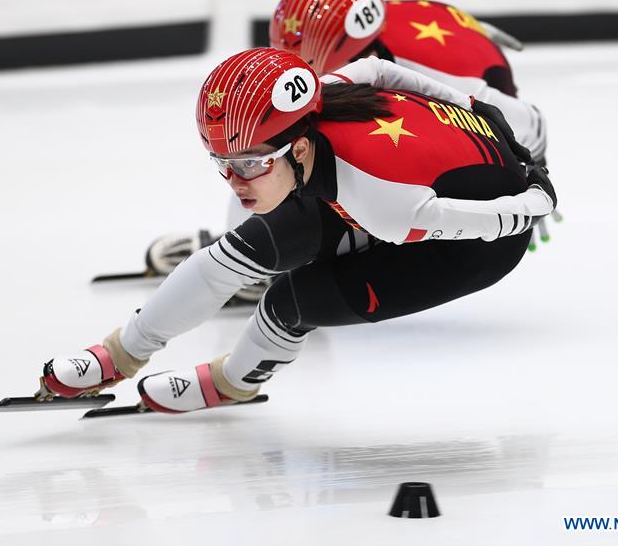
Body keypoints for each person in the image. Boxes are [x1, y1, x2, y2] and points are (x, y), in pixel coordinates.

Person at [35, 48, 557, 414]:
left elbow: (483, 222)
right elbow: (380, 69)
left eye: (249, 164)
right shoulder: (319, 100)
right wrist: (473, 106)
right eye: (222, 162)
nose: (234, 181)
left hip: (474, 244)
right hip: (412, 179)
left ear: (300, 148)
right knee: (238, 253)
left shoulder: (385, 204)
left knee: (290, 302)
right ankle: (120, 353)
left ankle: (231, 383)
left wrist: (535, 196)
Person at [146, 0, 556, 285]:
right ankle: (257, 240)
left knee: (332, 164)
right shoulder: (365, 41)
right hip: (435, 63)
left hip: (470, 118)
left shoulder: (447, 79)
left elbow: (530, 124)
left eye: (312, 67)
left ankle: (300, 244)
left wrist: (530, 178)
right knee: (282, 149)